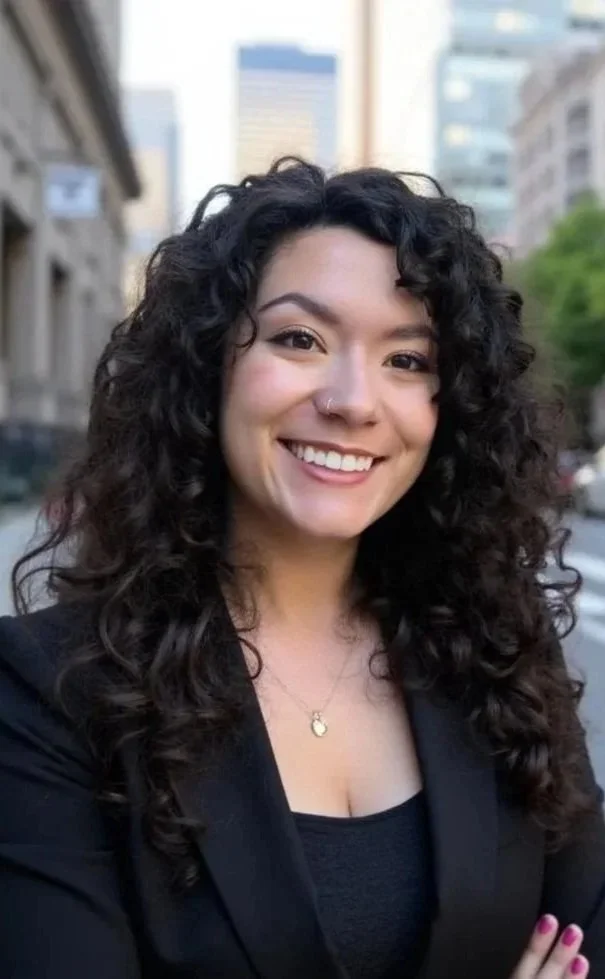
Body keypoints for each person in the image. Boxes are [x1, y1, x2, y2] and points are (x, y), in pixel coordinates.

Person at [0, 158, 603, 979]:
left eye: (408, 360)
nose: (354, 399)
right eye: (299, 339)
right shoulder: (50, 688)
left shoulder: (497, 650)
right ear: (207, 365)